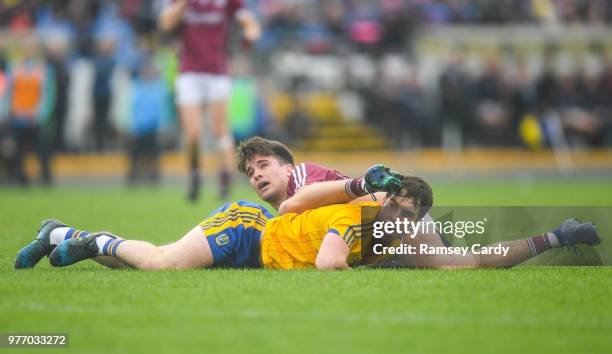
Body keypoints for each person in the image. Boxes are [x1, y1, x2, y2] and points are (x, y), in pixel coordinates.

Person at [15, 174, 601, 271]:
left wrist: (554, 237)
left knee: (142, 268)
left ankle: (62, 235)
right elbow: (327, 262)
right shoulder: (360, 215)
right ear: (393, 204)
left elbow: (471, 260)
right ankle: (80, 237)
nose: (412, 226)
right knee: (163, 262)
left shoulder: (394, 229)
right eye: (406, 213)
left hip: (263, 248)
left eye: (417, 220)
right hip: (247, 229)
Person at [159, 0, 261, 201]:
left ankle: (225, 180)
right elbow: (166, 23)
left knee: (220, 130)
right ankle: (195, 175)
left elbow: (250, 24)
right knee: (193, 132)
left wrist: (250, 35)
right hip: (189, 72)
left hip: (217, 72)